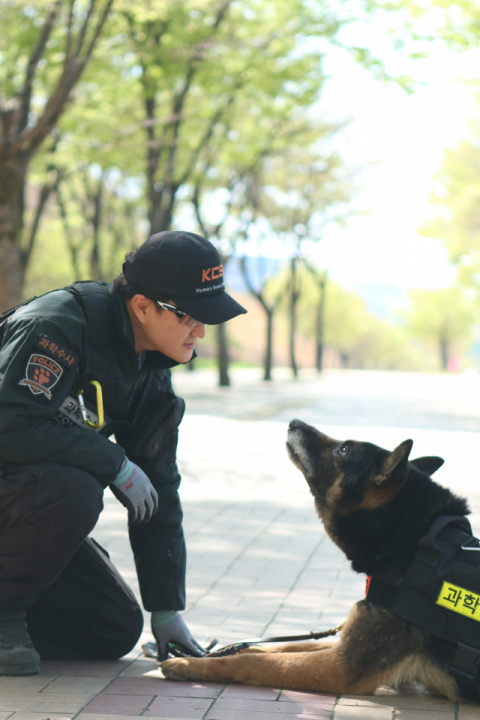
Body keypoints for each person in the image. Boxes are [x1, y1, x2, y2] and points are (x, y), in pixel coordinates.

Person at [0, 230, 247, 676]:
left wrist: (166, 608)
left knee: (110, 627)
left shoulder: (150, 368)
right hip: (22, 492)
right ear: (141, 306)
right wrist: (114, 462)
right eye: (190, 315)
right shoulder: (56, 327)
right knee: (74, 490)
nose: (201, 330)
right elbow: (10, 426)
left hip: (20, 507)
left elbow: (159, 488)